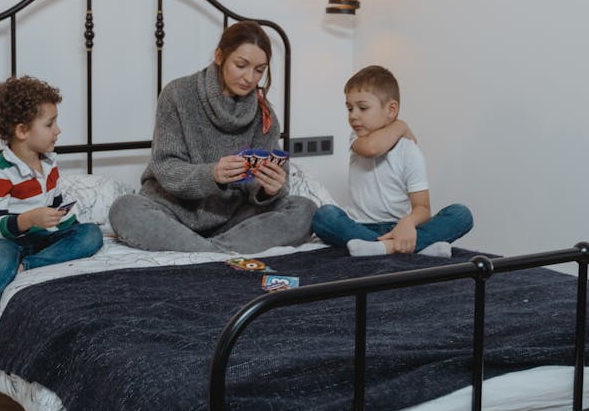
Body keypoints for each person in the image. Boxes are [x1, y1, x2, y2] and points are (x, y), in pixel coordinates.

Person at [110, 21, 316, 253]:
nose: (250, 78)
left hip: (230, 220)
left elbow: (263, 184)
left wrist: (269, 188)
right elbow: (165, 167)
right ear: (219, 56)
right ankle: (217, 254)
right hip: (171, 213)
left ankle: (205, 252)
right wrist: (212, 175)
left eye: (259, 70)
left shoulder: (264, 113)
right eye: (241, 65)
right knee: (124, 208)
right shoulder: (177, 94)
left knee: (304, 210)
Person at [0, 76, 103, 396]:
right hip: (2, 238)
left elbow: (52, 206)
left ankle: (27, 267)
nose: (58, 131)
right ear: (22, 131)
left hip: (37, 237)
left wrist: (63, 220)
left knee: (91, 235)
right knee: (0, 261)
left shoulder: (50, 164)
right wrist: (28, 219)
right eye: (50, 124)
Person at [312, 65, 473, 258]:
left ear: (391, 109)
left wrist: (408, 222)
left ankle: (381, 248)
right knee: (324, 216)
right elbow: (373, 148)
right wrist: (401, 125)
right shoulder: (357, 139)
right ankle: (416, 247)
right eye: (349, 108)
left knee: (461, 214)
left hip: (400, 227)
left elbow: (422, 209)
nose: (353, 115)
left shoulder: (409, 151)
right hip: (358, 225)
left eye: (362, 108)